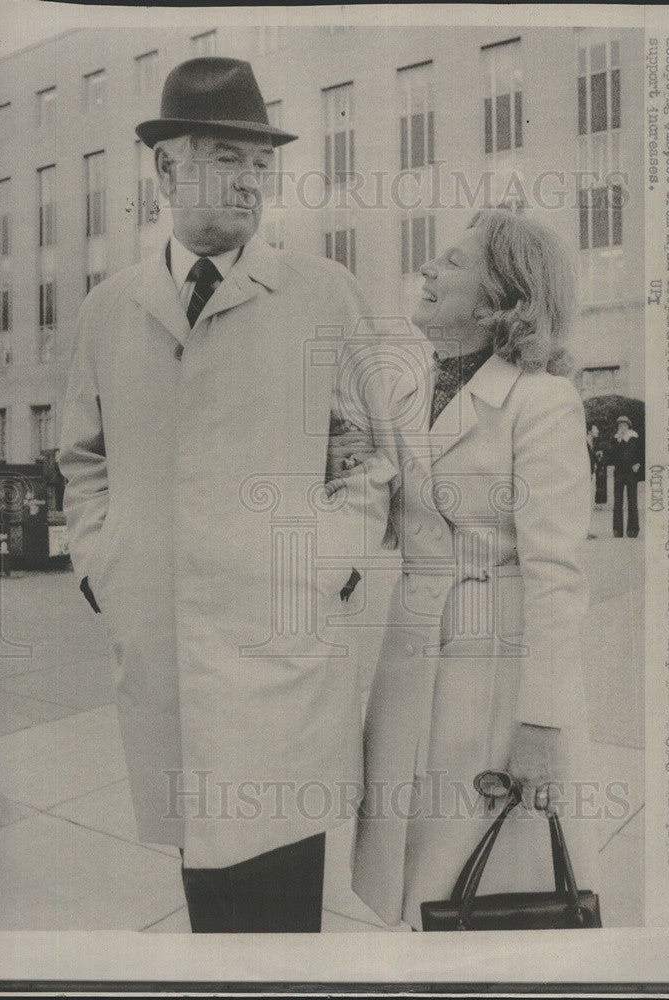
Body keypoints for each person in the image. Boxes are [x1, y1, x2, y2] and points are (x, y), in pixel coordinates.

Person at [59, 57, 393, 933]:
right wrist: (106, 566)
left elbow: (367, 457)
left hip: (280, 655)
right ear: (166, 169)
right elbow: (82, 460)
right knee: (206, 903)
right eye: (223, 157)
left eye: (259, 164)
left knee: (283, 907)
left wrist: (323, 563)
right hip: (164, 647)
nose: (249, 181)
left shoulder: (323, 293)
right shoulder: (107, 309)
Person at [347, 208, 599, 930]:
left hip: (496, 672)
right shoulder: (405, 390)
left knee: (480, 885)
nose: (426, 269)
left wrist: (542, 725)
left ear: (502, 298)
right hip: (410, 653)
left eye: (451, 263)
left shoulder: (543, 401)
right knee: (411, 875)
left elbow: (557, 575)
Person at [607, 415, 641, 538]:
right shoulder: (615, 439)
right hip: (619, 473)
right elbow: (612, 455)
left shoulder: (634, 436)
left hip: (631, 472)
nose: (622, 427)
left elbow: (639, 451)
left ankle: (633, 530)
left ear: (628, 426)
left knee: (632, 501)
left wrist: (638, 463)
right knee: (617, 502)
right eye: (620, 425)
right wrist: (618, 441)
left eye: (624, 425)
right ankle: (617, 530)